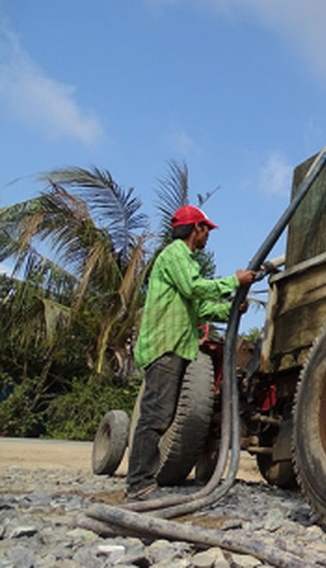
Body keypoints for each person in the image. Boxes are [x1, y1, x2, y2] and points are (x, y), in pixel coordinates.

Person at [125, 205, 255, 501]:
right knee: (155, 416)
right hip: (164, 346)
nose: (208, 235)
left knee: (163, 414)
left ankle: (142, 481)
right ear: (195, 228)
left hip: (177, 348)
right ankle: (139, 484)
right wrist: (234, 281)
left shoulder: (187, 260)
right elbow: (194, 287)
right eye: (206, 229)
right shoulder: (175, 255)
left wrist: (232, 308)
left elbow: (201, 308)